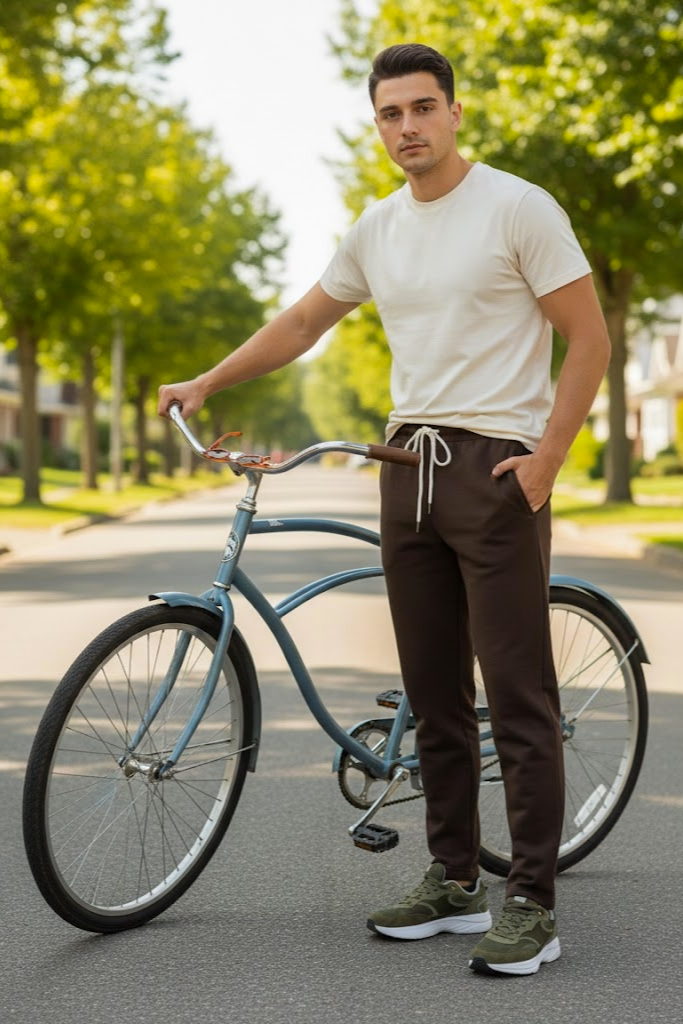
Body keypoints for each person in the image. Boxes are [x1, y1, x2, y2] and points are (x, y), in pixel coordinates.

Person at [158, 43, 611, 977]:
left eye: (421, 108)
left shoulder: (518, 207)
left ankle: (531, 902)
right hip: (404, 466)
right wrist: (207, 380)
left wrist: (546, 462)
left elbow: (588, 338)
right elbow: (300, 324)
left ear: (452, 111)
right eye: (389, 115)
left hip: (494, 468)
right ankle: (453, 880)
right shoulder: (377, 227)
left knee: (517, 698)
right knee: (433, 694)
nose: (406, 128)